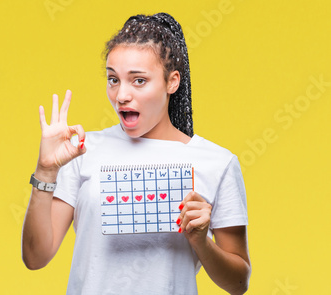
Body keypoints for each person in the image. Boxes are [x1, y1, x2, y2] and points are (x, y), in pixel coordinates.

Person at [22, 12, 251, 295]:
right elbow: (35, 257)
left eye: (138, 81)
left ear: (172, 82)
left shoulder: (217, 162)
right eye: (113, 79)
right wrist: (46, 170)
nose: (121, 95)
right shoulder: (80, 151)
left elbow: (239, 283)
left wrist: (202, 241)